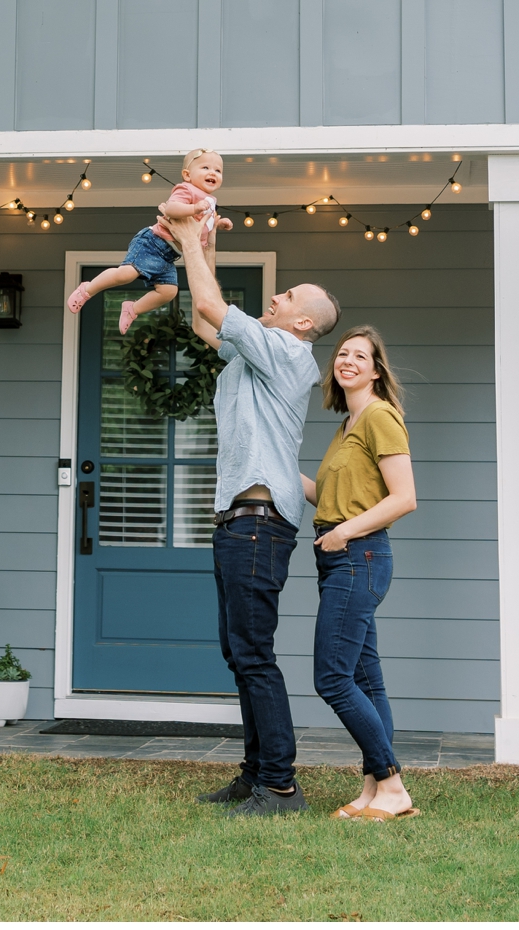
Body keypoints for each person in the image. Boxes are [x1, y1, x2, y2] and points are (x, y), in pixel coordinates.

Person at [165, 205, 339, 817]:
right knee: (239, 651)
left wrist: (186, 235)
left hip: (259, 526)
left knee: (254, 653)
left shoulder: (287, 356)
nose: (276, 295)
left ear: (303, 321)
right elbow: (201, 319)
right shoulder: (253, 356)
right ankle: (255, 773)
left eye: (287, 294)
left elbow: (215, 309)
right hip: (241, 523)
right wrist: (204, 246)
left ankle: (282, 787)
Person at [304, 326, 419, 821]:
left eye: (360, 355)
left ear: (376, 370)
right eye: (342, 353)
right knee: (365, 681)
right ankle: (374, 791)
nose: (347, 360)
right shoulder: (347, 427)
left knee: (332, 677)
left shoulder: (379, 418)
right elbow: (328, 499)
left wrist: (343, 533)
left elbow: (404, 499)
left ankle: (392, 787)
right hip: (341, 555)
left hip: (358, 556)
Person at [67, 147, 235, 332]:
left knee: (169, 292)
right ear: (187, 175)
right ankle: (88, 289)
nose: (213, 173)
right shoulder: (187, 189)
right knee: (126, 274)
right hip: (153, 243)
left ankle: (133, 308)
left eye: (218, 170)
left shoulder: (210, 200)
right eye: (205, 168)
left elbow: (202, 225)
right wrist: (194, 207)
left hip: (170, 255)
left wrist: (219, 223)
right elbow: (171, 209)